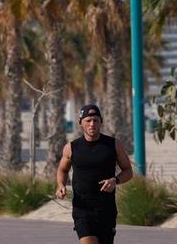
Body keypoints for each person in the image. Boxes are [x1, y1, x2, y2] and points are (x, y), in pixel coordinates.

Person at [56, 104, 133, 244]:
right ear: (81, 123)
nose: (92, 124)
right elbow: (63, 169)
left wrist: (115, 180)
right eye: (88, 120)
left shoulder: (114, 145)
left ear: (101, 122)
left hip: (107, 210)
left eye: (96, 120)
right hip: (82, 210)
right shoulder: (71, 148)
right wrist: (60, 185)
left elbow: (128, 171)